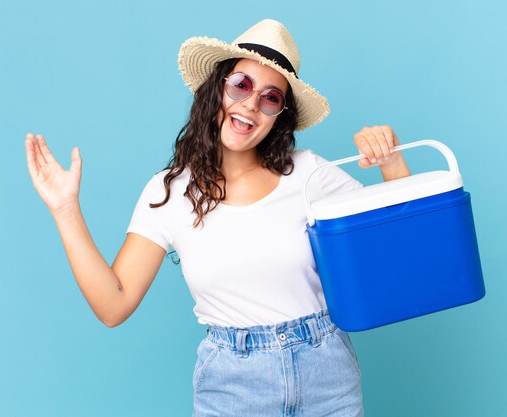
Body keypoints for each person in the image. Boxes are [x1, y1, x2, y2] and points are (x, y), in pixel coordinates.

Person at [24, 19, 410, 417]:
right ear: (217, 88)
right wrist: (65, 209)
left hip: (327, 377)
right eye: (241, 85)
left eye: (270, 97)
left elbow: (402, 252)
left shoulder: (310, 174)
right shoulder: (169, 192)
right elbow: (114, 304)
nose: (250, 105)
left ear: (280, 115)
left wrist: (392, 163)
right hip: (234, 386)